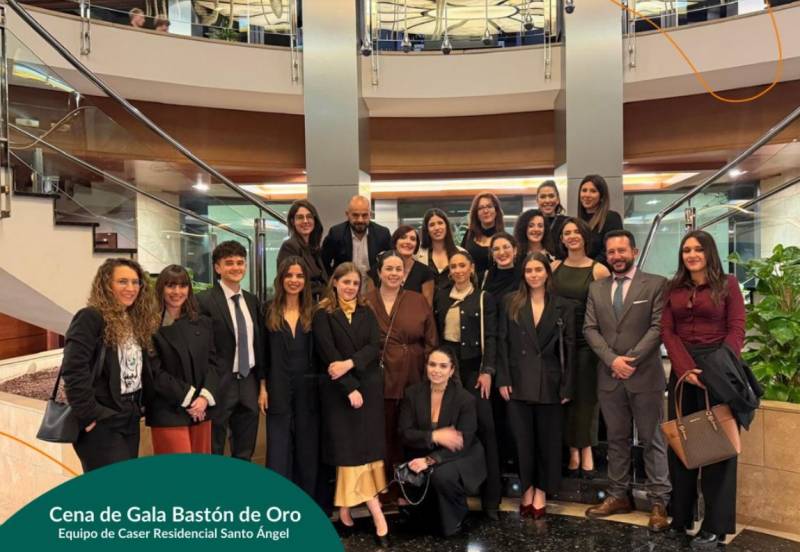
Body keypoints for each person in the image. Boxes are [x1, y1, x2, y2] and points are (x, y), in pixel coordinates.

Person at [661, 230, 747, 549]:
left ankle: (715, 526)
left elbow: (737, 328)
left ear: (709, 252)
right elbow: (667, 331)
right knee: (682, 445)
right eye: (686, 250)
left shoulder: (728, 284)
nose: (692, 254)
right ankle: (680, 518)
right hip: (683, 371)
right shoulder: (673, 288)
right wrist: (685, 369)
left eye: (698, 249)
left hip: (719, 369)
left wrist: (715, 369)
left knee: (716, 450)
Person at [582, 230, 671, 532]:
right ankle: (618, 495)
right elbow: (590, 329)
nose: (617, 256)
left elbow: (658, 327)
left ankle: (659, 502)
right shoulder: (596, 288)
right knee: (616, 439)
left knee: (652, 439)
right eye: (611, 252)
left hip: (644, 375)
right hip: (610, 376)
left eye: (622, 251)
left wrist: (629, 360)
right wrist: (613, 360)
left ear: (634, 251)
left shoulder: (656, 284)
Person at [312, 263, 388, 546]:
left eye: (355, 283)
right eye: (346, 282)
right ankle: (378, 515)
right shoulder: (323, 314)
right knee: (350, 455)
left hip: (369, 390)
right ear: (335, 283)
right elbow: (327, 355)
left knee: (367, 454)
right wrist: (349, 387)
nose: (351, 288)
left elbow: (373, 347)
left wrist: (350, 363)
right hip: (339, 393)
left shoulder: (367, 311)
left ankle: (344, 509)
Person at [497, 252, 576, 518]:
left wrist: (567, 386)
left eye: (538, 270)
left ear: (547, 273)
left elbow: (570, 348)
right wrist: (503, 378)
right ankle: (527, 488)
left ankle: (541, 490)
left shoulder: (563, 306)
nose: (533, 275)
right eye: (529, 270)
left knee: (548, 441)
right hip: (517, 380)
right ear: (523, 274)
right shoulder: (510, 302)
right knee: (522, 442)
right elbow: (503, 342)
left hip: (551, 381)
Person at [62, 258, 160, 472]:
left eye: (135, 282)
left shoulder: (134, 319)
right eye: (122, 281)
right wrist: (89, 414)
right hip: (103, 417)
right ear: (106, 284)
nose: (131, 288)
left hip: (131, 414)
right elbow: (73, 369)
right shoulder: (90, 317)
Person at [433, 250, 501, 519]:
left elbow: (492, 337)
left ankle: (491, 500)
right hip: (449, 372)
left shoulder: (483, 297)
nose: (458, 270)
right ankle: (455, 494)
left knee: (486, 429)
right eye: (454, 266)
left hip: (475, 372)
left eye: (463, 265)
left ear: (472, 267)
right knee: (453, 430)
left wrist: (487, 371)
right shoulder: (441, 296)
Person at [366, 251, 438, 496]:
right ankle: (383, 486)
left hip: (413, 374)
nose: (394, 273)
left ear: (404, 274)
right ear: (379, 272)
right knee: (382, 432)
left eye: (399, 269)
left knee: (410, 431)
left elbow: (431, 340)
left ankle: (410, 489)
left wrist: (430, 375)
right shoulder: (366, 301)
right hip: (379, 375)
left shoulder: (417, 300)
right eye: (389, 268)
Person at [398, 348, 487, 537]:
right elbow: (405, 433)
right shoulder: (412, 394)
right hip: (425, 450)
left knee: (441, 474)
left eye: (443, 366)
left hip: (460, 455)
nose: (436, 370)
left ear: (452, 370)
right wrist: (434, 436)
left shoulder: (465, 399)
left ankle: (457, 517)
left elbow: (464, 442)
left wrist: (429, 460)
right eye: (432, 364)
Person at [550, 218, 610, 477]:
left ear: (585, 236)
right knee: (564, 398)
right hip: (559, 342)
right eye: (567, 233)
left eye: (576, 232)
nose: (572, 236)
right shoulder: (553, 267)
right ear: (561, 239)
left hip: (587, 342)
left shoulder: (599, 270)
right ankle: (572, 450)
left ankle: (586, 450)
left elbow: (606, 313)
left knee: (586, 399)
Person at [196, 240, 266, 460]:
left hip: (248, 382)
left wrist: (262, 384)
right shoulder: (204, 301)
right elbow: (201, 349)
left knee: (245, 447)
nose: (236, 267)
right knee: (214, 446)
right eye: (229, 263)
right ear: (218, 267)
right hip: (219, 383)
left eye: (240, 262)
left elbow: (258, 344)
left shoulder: (252, 301)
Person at [260, 257, 319, 500]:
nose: (294, 280)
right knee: (278, 446)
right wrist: (262, 387)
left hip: (308, 389)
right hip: (278, 385)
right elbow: (262, 352)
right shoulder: (267, 310)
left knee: (307, 447)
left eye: (299, 276)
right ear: (281, 278)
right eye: (289, 275)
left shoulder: (314, 312)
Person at [146, 265, 218, 455]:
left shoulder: (203, 322)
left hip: (201, 410)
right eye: (170, 286)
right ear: (161, 288)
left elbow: (213, 362)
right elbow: (154, 372)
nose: (177, 292)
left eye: (182, 286)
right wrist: (191, 398)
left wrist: (204, 398)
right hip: (168, 410)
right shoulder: (149, 326)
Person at [321, 195, 392, 278]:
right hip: (345, 283)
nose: (360, 220)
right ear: (347, 214)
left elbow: (391, 262)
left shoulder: (382, 234)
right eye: (355, 215)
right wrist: (333, 279)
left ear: (370, 215)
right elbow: (323, 262)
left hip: (373, 283)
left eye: (365, 215)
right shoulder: (336, 234)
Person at [368, 225, 435, 306]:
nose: (408, 242)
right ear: (395, 242)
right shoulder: (377, 269)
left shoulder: (425, 272)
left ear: (416, 245)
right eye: (403, 237)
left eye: (413, 239)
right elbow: (370, 304)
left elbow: (427, 307)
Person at [277, 200, 327, 299]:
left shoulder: (314, 248)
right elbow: (291, 282)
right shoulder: (289, 246)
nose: (305, 221)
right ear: (293, 222)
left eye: (309, 217)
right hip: (302, 303)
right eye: (300, 217)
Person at [415, 208, 466, 291]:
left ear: (446, 226)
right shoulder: (417, 254)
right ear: (427, 230)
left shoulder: (461, 253)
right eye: (432, 225)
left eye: (440, 223)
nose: (437, 228)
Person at [577, 174, 624, 265]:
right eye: (584, 190)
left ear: (601, 196)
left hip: (601, 270)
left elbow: (610, 250)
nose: (587, 195)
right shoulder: (577, 221)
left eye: (593, 191)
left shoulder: (611, 218)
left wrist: (588, 266)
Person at [460, 192, 504, 282]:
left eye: (489, 206)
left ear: (496, 210)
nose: (486, 211)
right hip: (470, 286)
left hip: (495, 287)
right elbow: (460, 260)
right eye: (480, 208)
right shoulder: (469, 235)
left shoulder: (504, 238)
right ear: (476, 213)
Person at [482, 232, 522, 305]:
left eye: (506, 247)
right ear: (492, 254)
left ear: (515, 250)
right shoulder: (487, 275)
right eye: (496, 249)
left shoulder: (524, 275)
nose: (501, 253)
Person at [536, 181, 568, 259]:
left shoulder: (567, 223)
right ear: (537, 201)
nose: (547, 201)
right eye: (543, 197)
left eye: (551, 196)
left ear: (557, 200)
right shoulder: (530, 222)